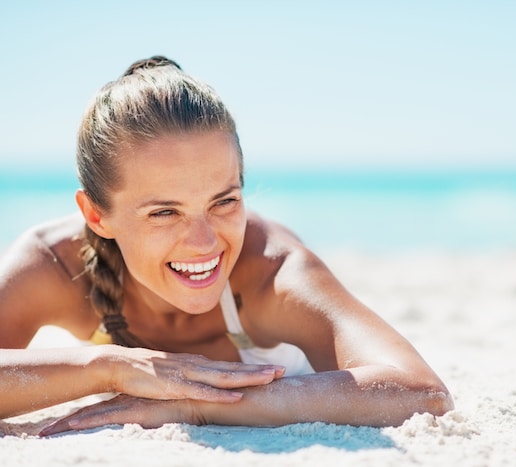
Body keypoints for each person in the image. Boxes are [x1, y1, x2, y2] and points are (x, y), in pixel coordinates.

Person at [0, 56, 453, 435]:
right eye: (164, 212)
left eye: (224, 201)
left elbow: (420, 391)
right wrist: (107, 366)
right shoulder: (54, 266)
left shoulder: (272, 272)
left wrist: (198, 405)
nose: (204, 243)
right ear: (96, 214)